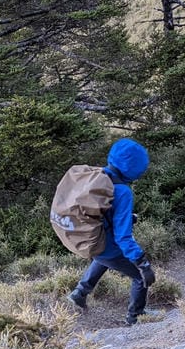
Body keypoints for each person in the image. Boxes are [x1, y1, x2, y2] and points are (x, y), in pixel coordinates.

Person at [66, 138, 157, 325]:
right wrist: (142, 263)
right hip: (104, 244)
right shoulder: (123, 191)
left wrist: (128, 218)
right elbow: (123, 237)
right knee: (139, 277)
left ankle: (79, 293)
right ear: (135, 168)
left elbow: (104, 211)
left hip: (90, 238)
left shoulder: (99, 176)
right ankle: (135, 317)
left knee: (104, 258)